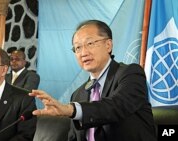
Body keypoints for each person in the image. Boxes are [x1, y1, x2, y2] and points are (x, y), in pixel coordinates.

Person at [29, 20, 157, 141]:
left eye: (90, 44)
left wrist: (70, 110)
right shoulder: (78, 94)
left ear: (108, 45)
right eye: (77, 48)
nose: (83, 52)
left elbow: (116, 107)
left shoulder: (130, 74)